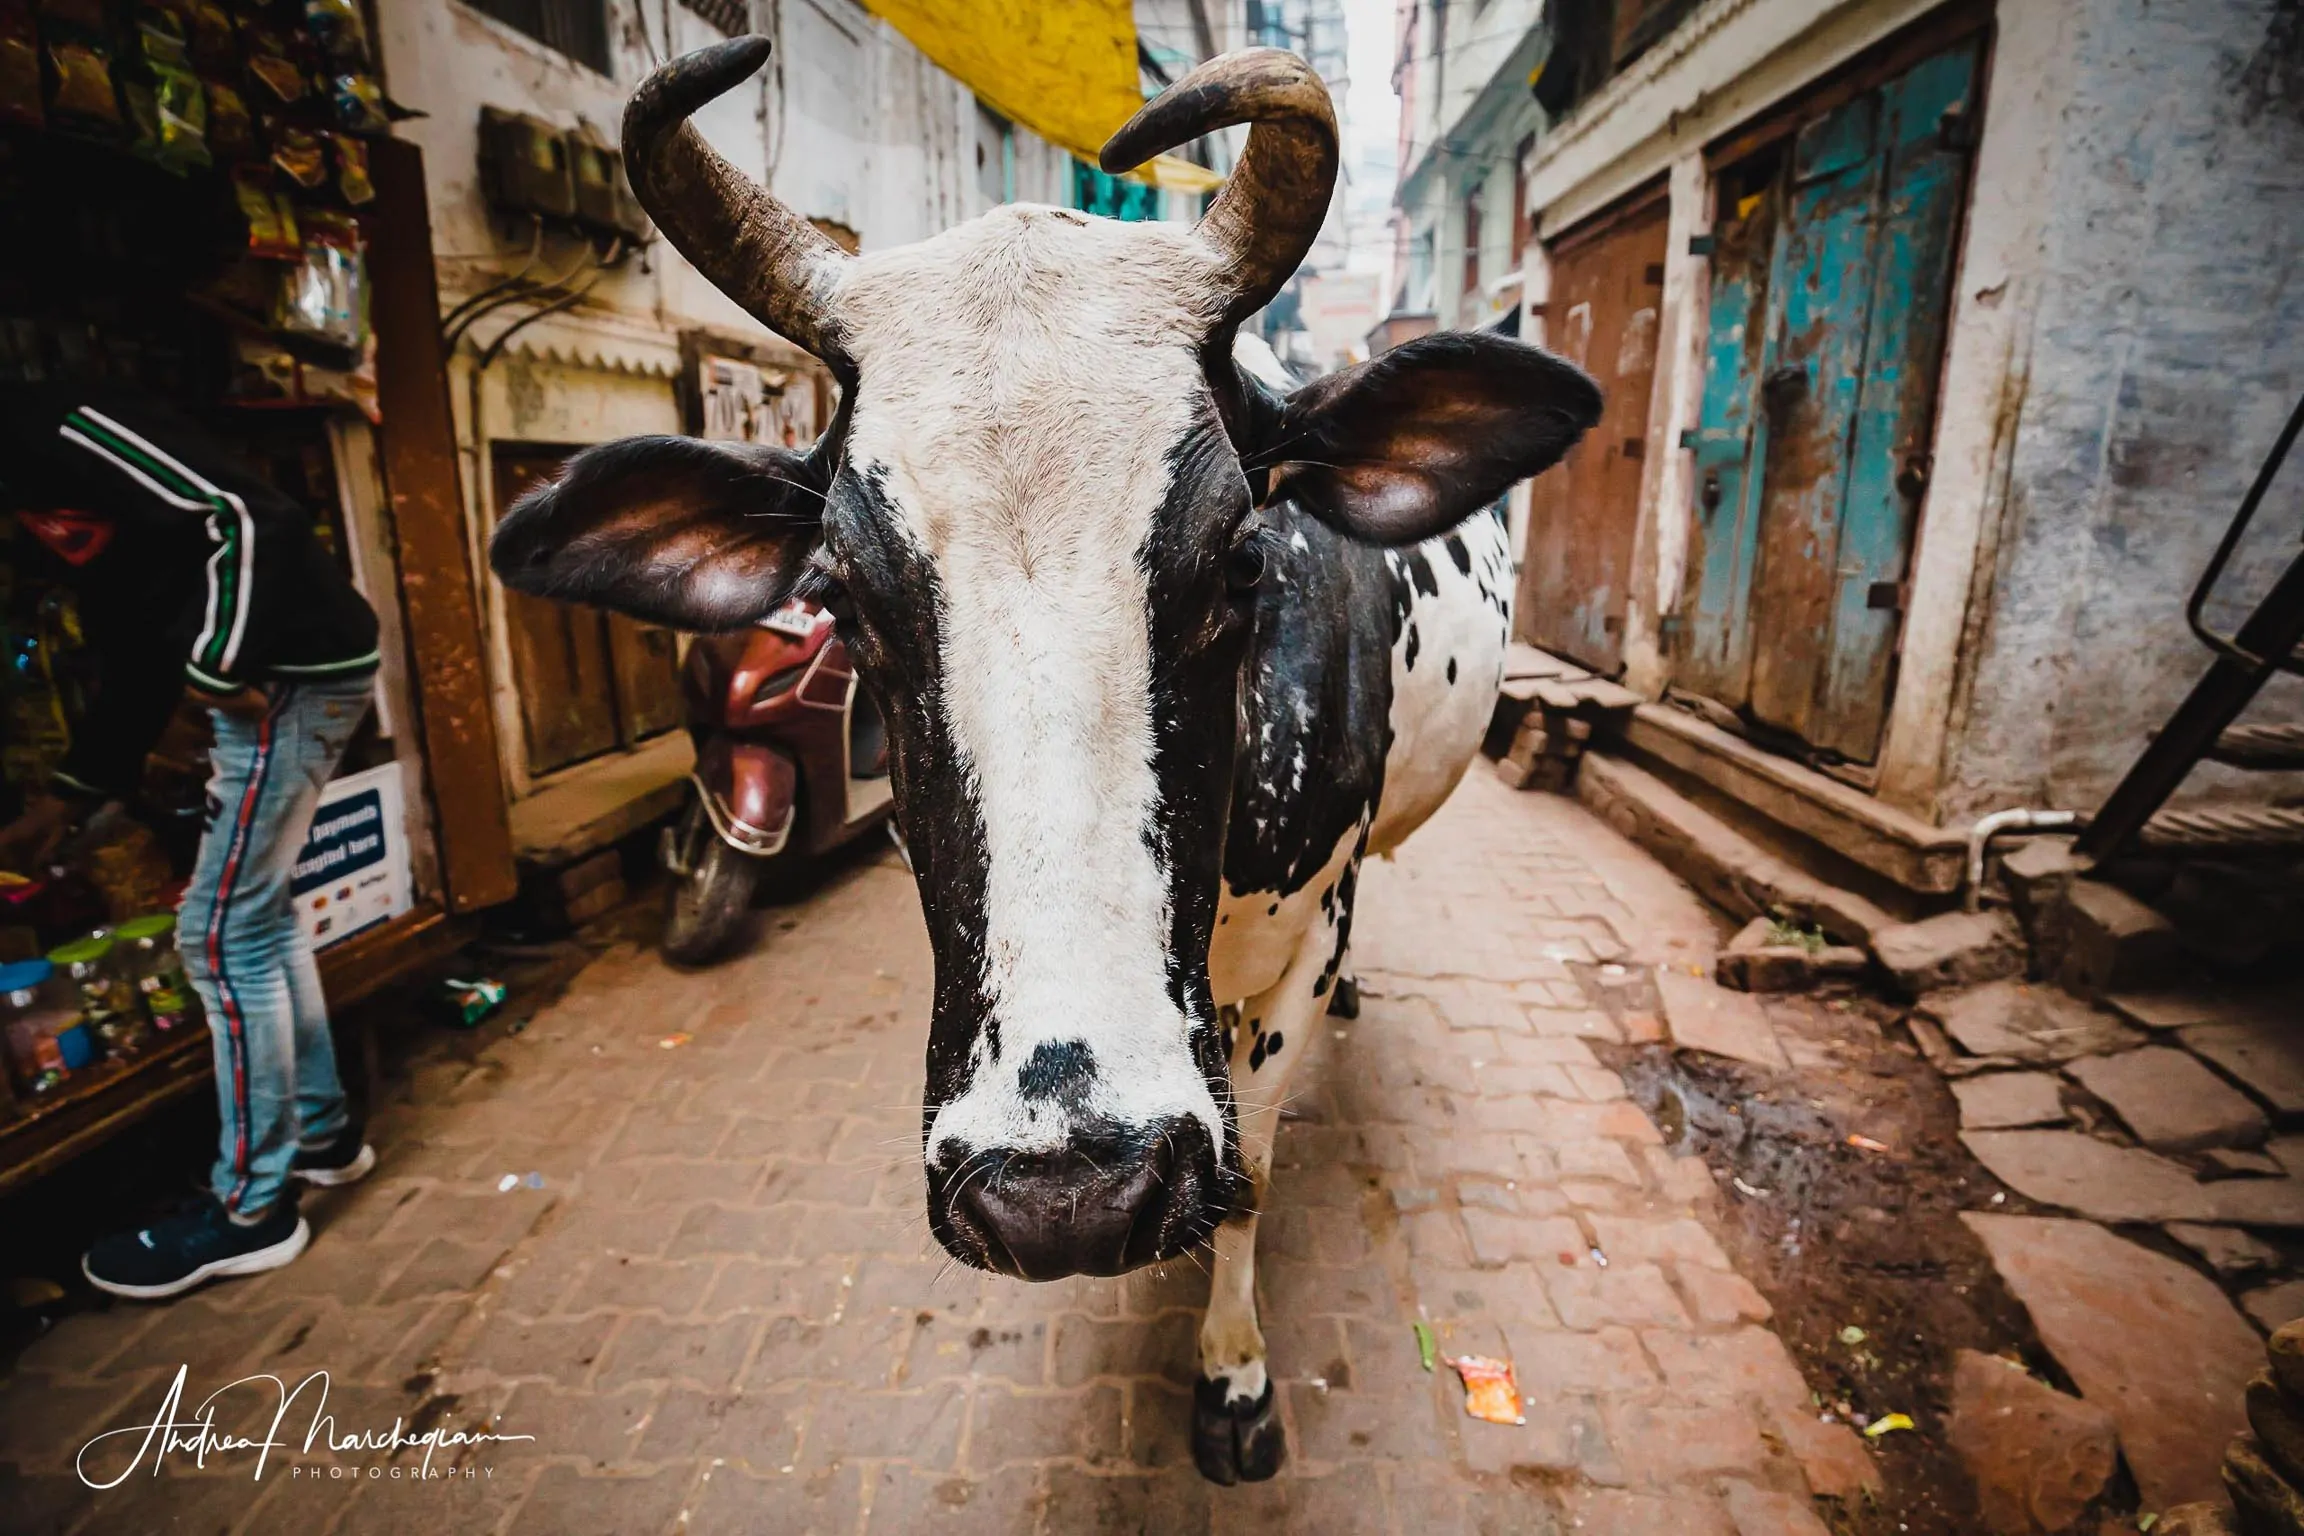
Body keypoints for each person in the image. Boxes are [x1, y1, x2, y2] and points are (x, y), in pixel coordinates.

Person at [1, 385, 383, 1300]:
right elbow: (136, 637)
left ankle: (251, 1211)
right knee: (259, 920)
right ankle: (325, 1136)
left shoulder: (60, 426)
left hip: (286, 683)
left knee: (217, 935)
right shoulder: (40, 477)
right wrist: (75, 789)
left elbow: (247, 514)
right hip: (284, 681)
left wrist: (218, 667)